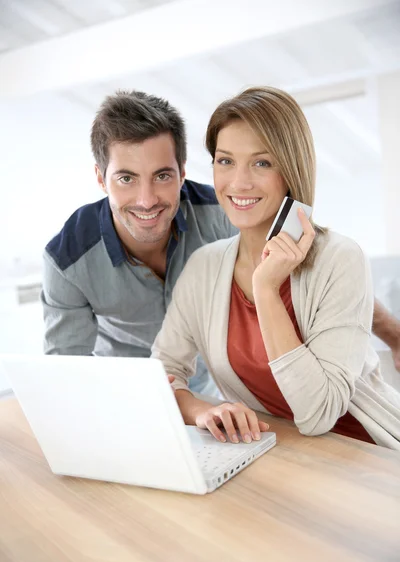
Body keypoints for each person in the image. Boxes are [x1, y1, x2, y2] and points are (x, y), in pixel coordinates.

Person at [41, 89, 399, 394]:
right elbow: (67, 374)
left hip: (220, 391)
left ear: (182, 172)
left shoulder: (226, 214)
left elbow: (320, 272)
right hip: (132, 394)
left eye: (162, 175)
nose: (147, 199)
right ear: (101, 179)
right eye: (126, 179)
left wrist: (394, 336)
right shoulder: (67, 259)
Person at [151, 86, 400, 450]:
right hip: (277, 453)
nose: (238, 182)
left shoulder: (341, 259)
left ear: (291, 169)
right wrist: (197, 409)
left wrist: (266, 289)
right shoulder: (204, 266)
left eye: (261, 163)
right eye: (225, 161)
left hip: (366, 455)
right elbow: (162, 370)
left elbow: (318, 414)